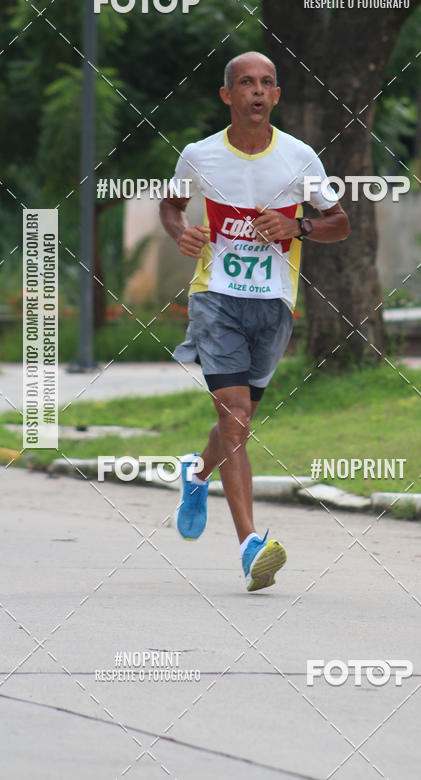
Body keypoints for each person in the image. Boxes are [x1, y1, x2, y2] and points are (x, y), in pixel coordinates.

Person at [160, 51, 349, 591]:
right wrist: (181, 233)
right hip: (214, 296)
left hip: (273, 304)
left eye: (267, 83)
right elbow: (171, 206)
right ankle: (250, 546)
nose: (257, 91)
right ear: (228, 96)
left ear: (277, 95)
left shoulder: (299, 157)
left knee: (240, 422)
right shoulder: (199, 156)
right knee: (236, 416)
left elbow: (340, 223)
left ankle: (197, 473)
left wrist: (298, 227)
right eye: (246, 83)